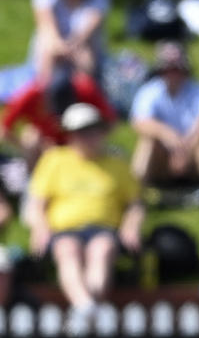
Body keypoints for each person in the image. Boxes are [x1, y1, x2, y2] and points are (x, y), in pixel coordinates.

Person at [25, 103, 143, 318]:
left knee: (102, 249)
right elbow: (36, 204)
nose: (88, 136)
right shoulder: (54, 160)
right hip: (63, 230)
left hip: (104, 229)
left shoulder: (118, 164)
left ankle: (86, 309)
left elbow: (135, 204)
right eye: (81, 132)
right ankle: (87, 306)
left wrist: (131, 227)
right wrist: (40, 229)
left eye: (92, 130)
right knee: (67, 250)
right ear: (70, 134)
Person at [130, 42, 199, 186]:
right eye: (167, 70)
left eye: (176, 70)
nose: (172, 74)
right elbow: (140, 122)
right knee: (147, 141)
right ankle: (136, 191)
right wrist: (167, 134)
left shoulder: (197, 90)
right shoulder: (150, 91)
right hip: (163, 156)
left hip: (192, 152)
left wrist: (188, 144)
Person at [0, 67, 115, 172]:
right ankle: (33, 185)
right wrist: (23, 146)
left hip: (78, 137)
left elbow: (110, 121)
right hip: (44, 139)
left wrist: (87, 140)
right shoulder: (30, 94)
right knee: (31, 139)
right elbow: (4, 129)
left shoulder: (86, 88)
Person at [29, 0, 110, 84]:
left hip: (82, 48)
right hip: (53, 48)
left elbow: (85, 32)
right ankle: (44, 92)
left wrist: (71, 47)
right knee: (48, 49)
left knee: (85, 56)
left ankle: (85, 94)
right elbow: (47, 28)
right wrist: (59, 46)